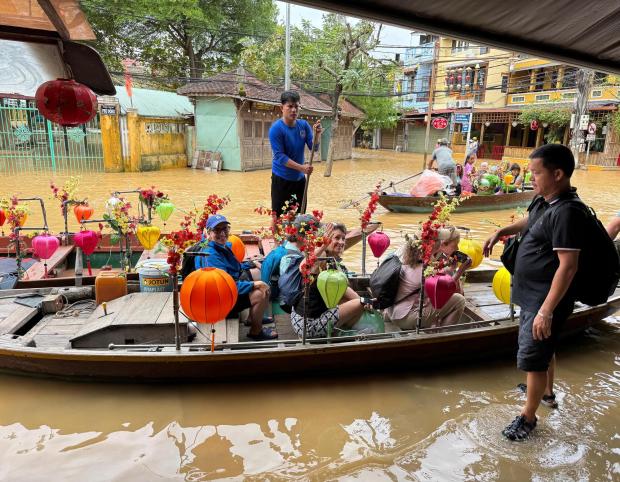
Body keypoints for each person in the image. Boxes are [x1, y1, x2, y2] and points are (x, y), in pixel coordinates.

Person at [483, 144, 589, 441]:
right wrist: (502, 231)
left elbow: (568, 266)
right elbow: (530, 222)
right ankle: (545, 392)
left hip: (545, 300)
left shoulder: (567, 212)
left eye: (536, 173)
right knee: (544, 349)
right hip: (533, 296)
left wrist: (546, 310)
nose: (531, 178)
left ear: (557, 174)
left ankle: (527, 418)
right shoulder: (545, 201)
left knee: (533, 355)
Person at [197, 215, 278, 341]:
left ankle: (253, 317)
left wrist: (251, 263)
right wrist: (255, 285)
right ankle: (255, 331)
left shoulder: (219, 246)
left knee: (257, 272)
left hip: (227, 289)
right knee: (261, 292)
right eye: (217, 230)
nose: (222, 233)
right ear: (208, 232)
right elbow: (225, 286)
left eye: (225, 229)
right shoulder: (211, 255)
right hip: (220, 301)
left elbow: (232, 267)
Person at [290, 223, 370, 338]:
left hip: (302, 318)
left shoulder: (331, 261)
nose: (342, 242)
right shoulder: (322, 256)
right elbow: (303, 267)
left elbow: (343, 290)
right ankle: (339, 334)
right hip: (308, 325)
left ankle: (338, 331)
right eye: (337, 238)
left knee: (351, 301)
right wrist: (364, 302)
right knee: (360, 303)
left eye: (343, 238)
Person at [383, 229, 466, 330]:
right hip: (405, 318)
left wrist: (451, 269)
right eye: (439, 241)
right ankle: (444, 336)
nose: (440, 243)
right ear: (432, 245)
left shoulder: (409, 260)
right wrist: (460, 270)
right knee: (459, 300)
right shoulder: (423, 270)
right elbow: (443, 292)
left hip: (394, 311)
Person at [269, 90, 322, 222]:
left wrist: (318, 134)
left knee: (299, 216)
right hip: (281, 179)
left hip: (299, 180)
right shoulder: (276, 129)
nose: (294, 110)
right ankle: (277, 242)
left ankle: (295, 241)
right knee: (278, 216)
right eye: (290, 106)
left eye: (296, 106)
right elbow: (280, 157)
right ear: (282, 108)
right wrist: (302, 168)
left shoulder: (303, 125)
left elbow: (314, 147)